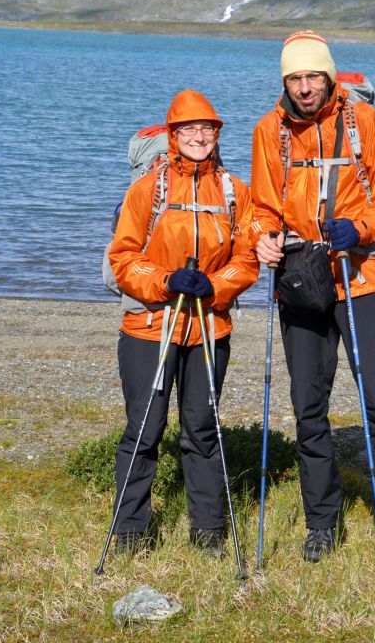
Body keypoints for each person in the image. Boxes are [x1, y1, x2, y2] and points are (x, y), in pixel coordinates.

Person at [251, 31, 375, 574]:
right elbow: (263, 206)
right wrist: (263, 237)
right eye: (295, 78)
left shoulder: (364, 123)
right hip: (301, 281)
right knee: (308, 407)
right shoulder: (270, 131)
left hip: (362, 278)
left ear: (329, 77)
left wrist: (359, 227)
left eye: (313, 76)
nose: (305, 88)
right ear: (284, 81)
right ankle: (322, 525)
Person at [108, 89, 259, 558]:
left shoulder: (235, 191)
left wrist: (215, 287)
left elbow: (247, 258)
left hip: (209, 330)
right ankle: (131, 532)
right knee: (144, 429)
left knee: (203, 429)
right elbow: (123, 260)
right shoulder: (148, 190)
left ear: (217, 134)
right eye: (188, 129)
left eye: (207, 128)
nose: (199, 136)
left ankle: (209, 532)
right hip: (150, 328)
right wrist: (167, 279)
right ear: (173, 135)